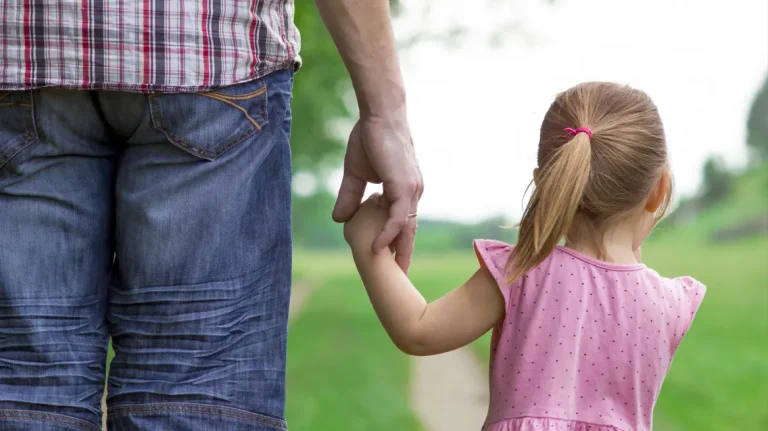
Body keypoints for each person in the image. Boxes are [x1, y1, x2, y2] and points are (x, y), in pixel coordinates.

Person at [0, 0, 420, 430]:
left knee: (19, 388)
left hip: (22, 54)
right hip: (209, 53)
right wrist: (384, 113)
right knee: (197, 395)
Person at [343, 82, 706, 431]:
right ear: (659, 190)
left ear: (547, 183)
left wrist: (369, 247)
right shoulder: (670, 302)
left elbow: (419, 329)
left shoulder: (523, 272)